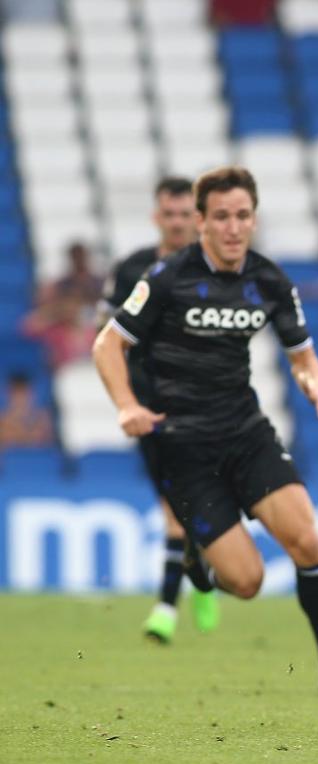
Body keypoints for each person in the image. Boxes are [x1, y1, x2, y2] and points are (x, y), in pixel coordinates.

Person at [93, 166, 318, 690]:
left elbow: (303, 356)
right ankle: (200, 564)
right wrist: (124, 405)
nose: (234, 228)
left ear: (253, 220)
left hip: (245, 433)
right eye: (223, 217)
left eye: (243, 216)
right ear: (202, 223)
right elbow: (107, 345)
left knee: (305, 539)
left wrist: (312, 381)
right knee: (248, 582)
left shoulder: (269, 279)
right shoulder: (166, 278)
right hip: (183, 448)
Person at [97, 176, 221, 644]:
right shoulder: (132, 269)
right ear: (156, 217)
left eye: (183, 214)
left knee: (181, 509)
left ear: (196, 218)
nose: (175, 223)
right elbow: (104, 332)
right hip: (153, 406)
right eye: (167, 215)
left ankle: (167, 608)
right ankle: (200, 577)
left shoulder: (217, 268)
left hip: (208, 405)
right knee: (177, 508)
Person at [23, 241, 103, 370]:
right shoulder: (56, 332)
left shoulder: (95, 330)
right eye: (68, 304)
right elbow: (28, 327)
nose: (71, 309)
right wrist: (55, 312)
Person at [0, 372, 53, 449]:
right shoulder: (2, 418)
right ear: (8, 394)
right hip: (12, 460)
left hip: (38, 458)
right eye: (17, 394)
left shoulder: (43, 416)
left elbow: (47, 441)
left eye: (24, 393)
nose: (21, 399)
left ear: (32, 394)